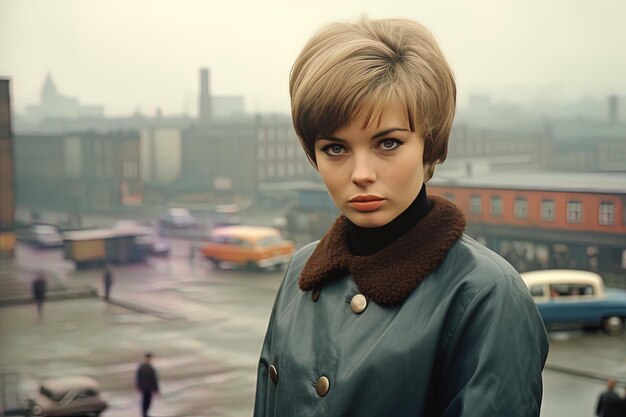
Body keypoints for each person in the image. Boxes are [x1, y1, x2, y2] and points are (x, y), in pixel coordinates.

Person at [253, 17, 549, 417]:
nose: (361, 173)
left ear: (430, 145)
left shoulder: (485, 295)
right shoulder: (301, 270)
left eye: (388, 143)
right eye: (335, 148)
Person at [136, 352, 159, 417]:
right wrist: (156, 389)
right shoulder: (150, 368)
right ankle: (145, 414)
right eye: (150, 358)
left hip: (144, 388)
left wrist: (138, 386)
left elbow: (138, 378)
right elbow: (154, 379)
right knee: (147, 402)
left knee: (145, 401)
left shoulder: (141, 367)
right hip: (148, 388)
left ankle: (144, 414)